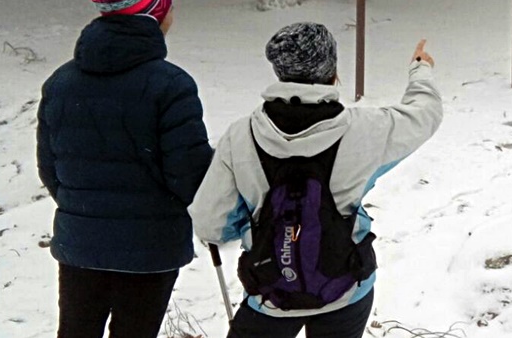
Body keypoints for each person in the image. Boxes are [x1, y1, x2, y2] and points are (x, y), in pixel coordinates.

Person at [188, 22, 443, 338]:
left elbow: (209, 222)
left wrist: (257, 227)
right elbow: (425, 114)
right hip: (346, 288)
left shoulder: (239, 137)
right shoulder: (368, 130)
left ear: (279, 70)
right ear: (332, 70)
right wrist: (420, 69)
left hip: (269, 290)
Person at [36, 0, 214, 338]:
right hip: (149, 248)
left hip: (80, 242)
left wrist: (85, 208)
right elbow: (190, 175)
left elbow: (50, 169)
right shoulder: (171, 85)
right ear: (155, 17)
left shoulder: (61, 82)